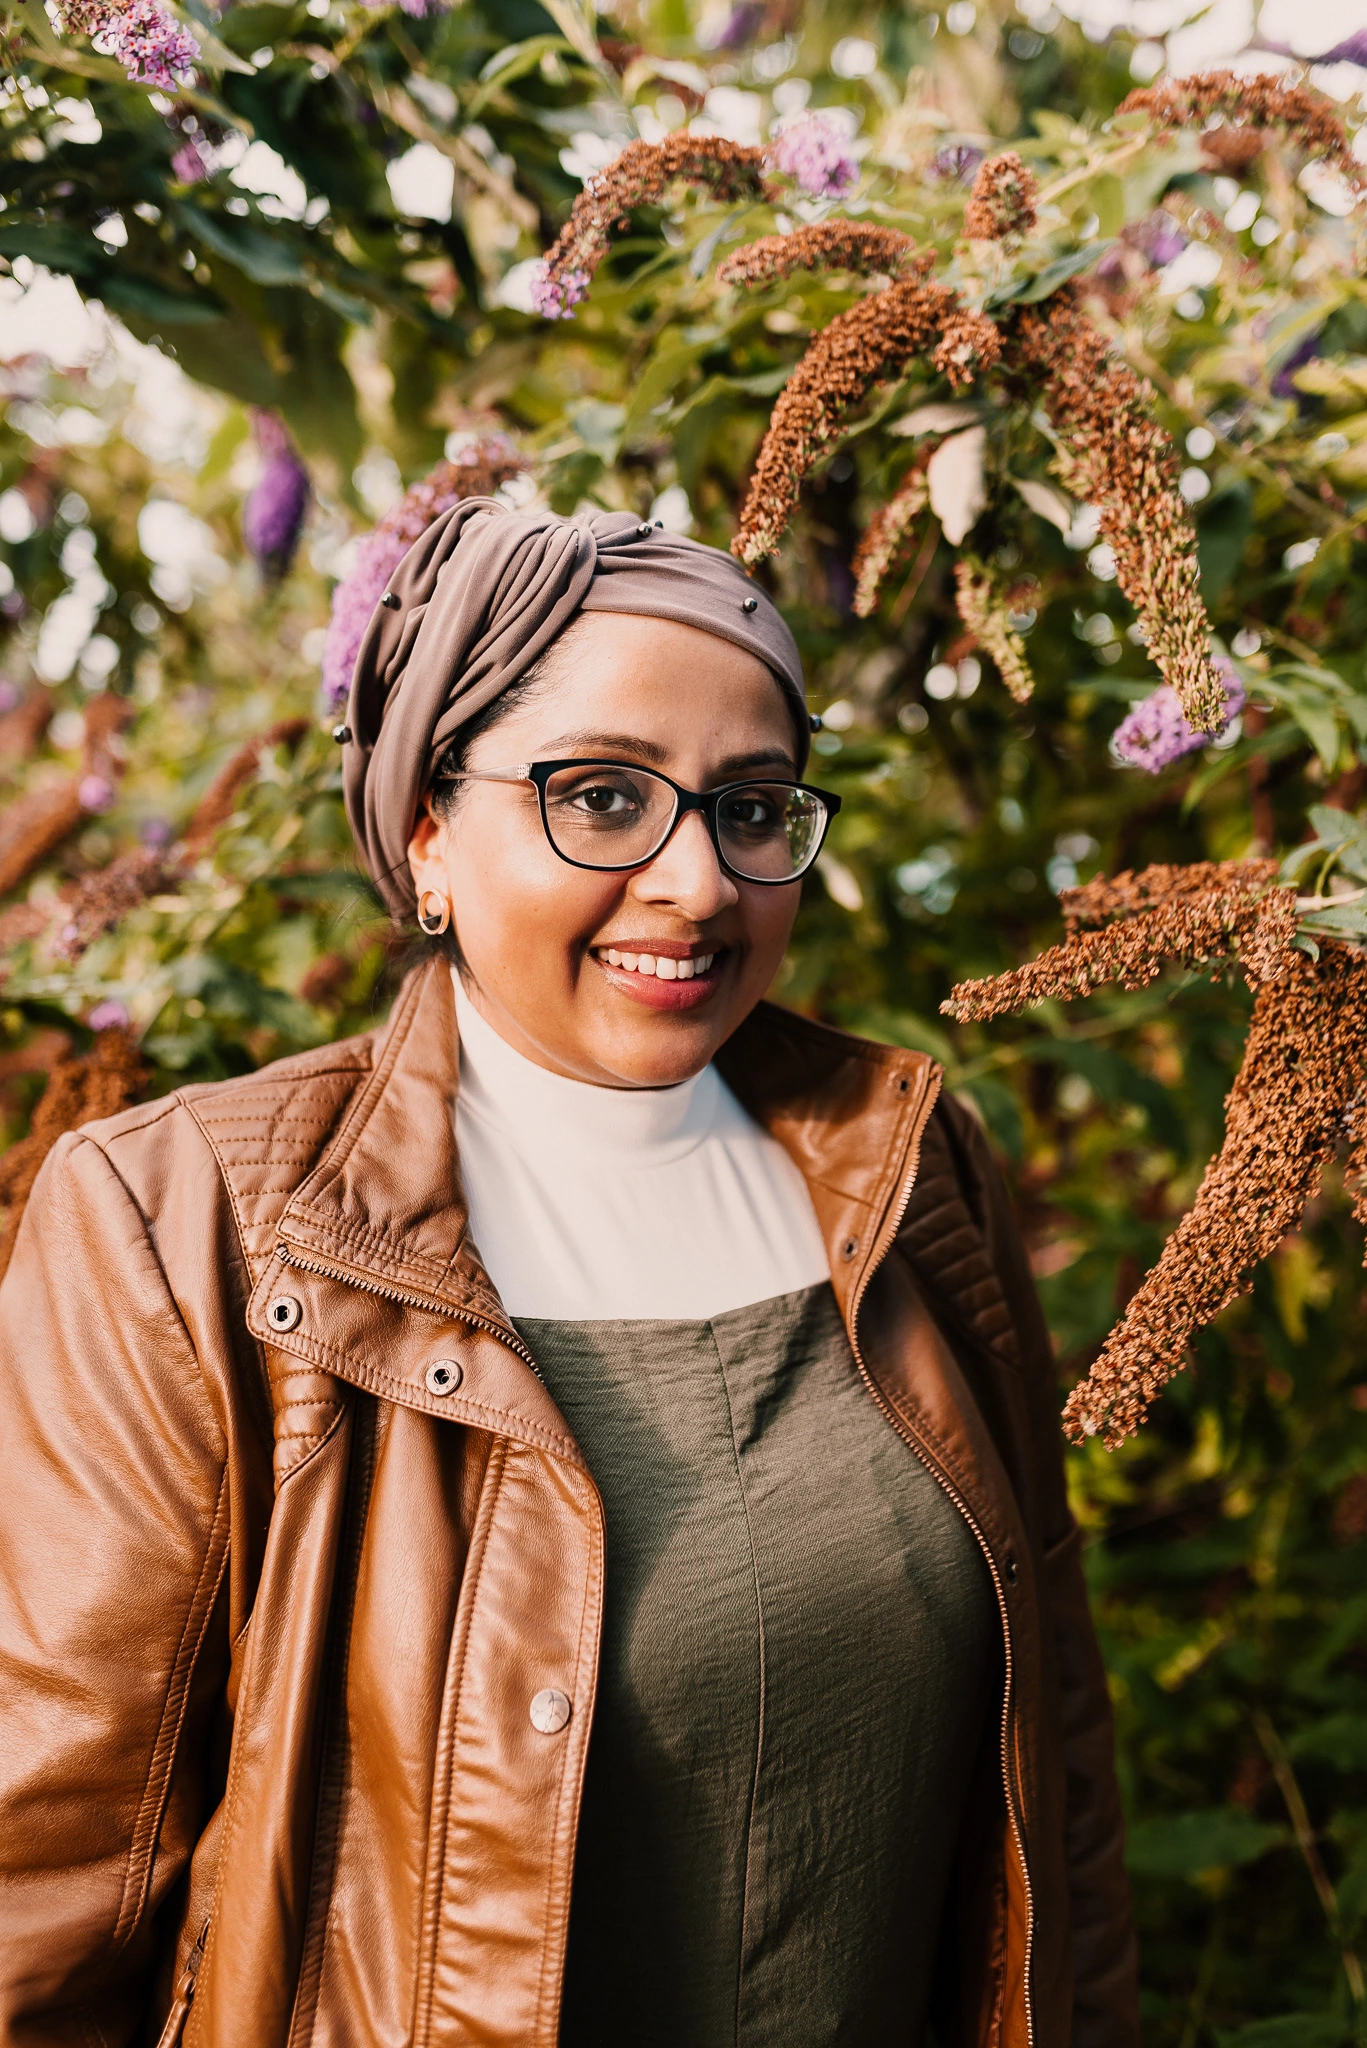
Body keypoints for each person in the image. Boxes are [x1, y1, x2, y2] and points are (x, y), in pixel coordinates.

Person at [0, 501, 1137, 2048]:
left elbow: (1055, 1773)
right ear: (427, 834)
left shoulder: (908, 1172)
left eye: (751, 808)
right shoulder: (179, 1221)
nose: (698, 883)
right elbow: (45, 1899)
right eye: (601, 796)